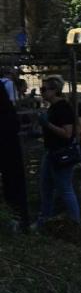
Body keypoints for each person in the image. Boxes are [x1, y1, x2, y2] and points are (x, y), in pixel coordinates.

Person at [37, 76, 81, 226]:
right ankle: (44, 220)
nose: (41, 92)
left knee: (65, 189)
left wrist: (47, 124)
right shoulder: (53, 107)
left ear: (54, 90)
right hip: (51, 152)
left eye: (44, 89)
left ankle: (76, 223)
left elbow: (67, 133)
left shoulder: (62, 108)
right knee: (46, 188)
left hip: (62, 154)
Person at [0, 77, 29, 231]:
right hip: (8, 135)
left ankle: (17, 218)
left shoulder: (4, 86)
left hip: (6, 137)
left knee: (12, 179)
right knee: (13, 179)